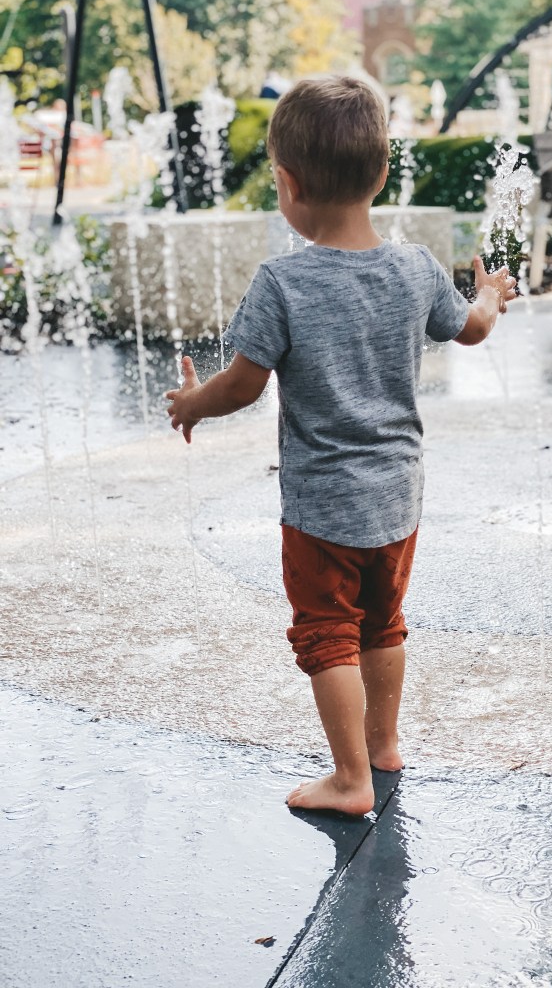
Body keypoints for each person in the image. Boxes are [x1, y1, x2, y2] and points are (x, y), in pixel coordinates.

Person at [165, 77, 517, 816]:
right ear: (382, 174)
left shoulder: (282, 283)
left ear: (287, 185)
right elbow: (474, 329)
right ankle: (383, 746)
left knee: (326, 632)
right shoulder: (416, 267)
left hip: (322, 504)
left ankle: (351, 779)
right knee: (383, 621)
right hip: (398, 496)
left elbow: (241, 387)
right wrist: (490, 295)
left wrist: (193, 402)